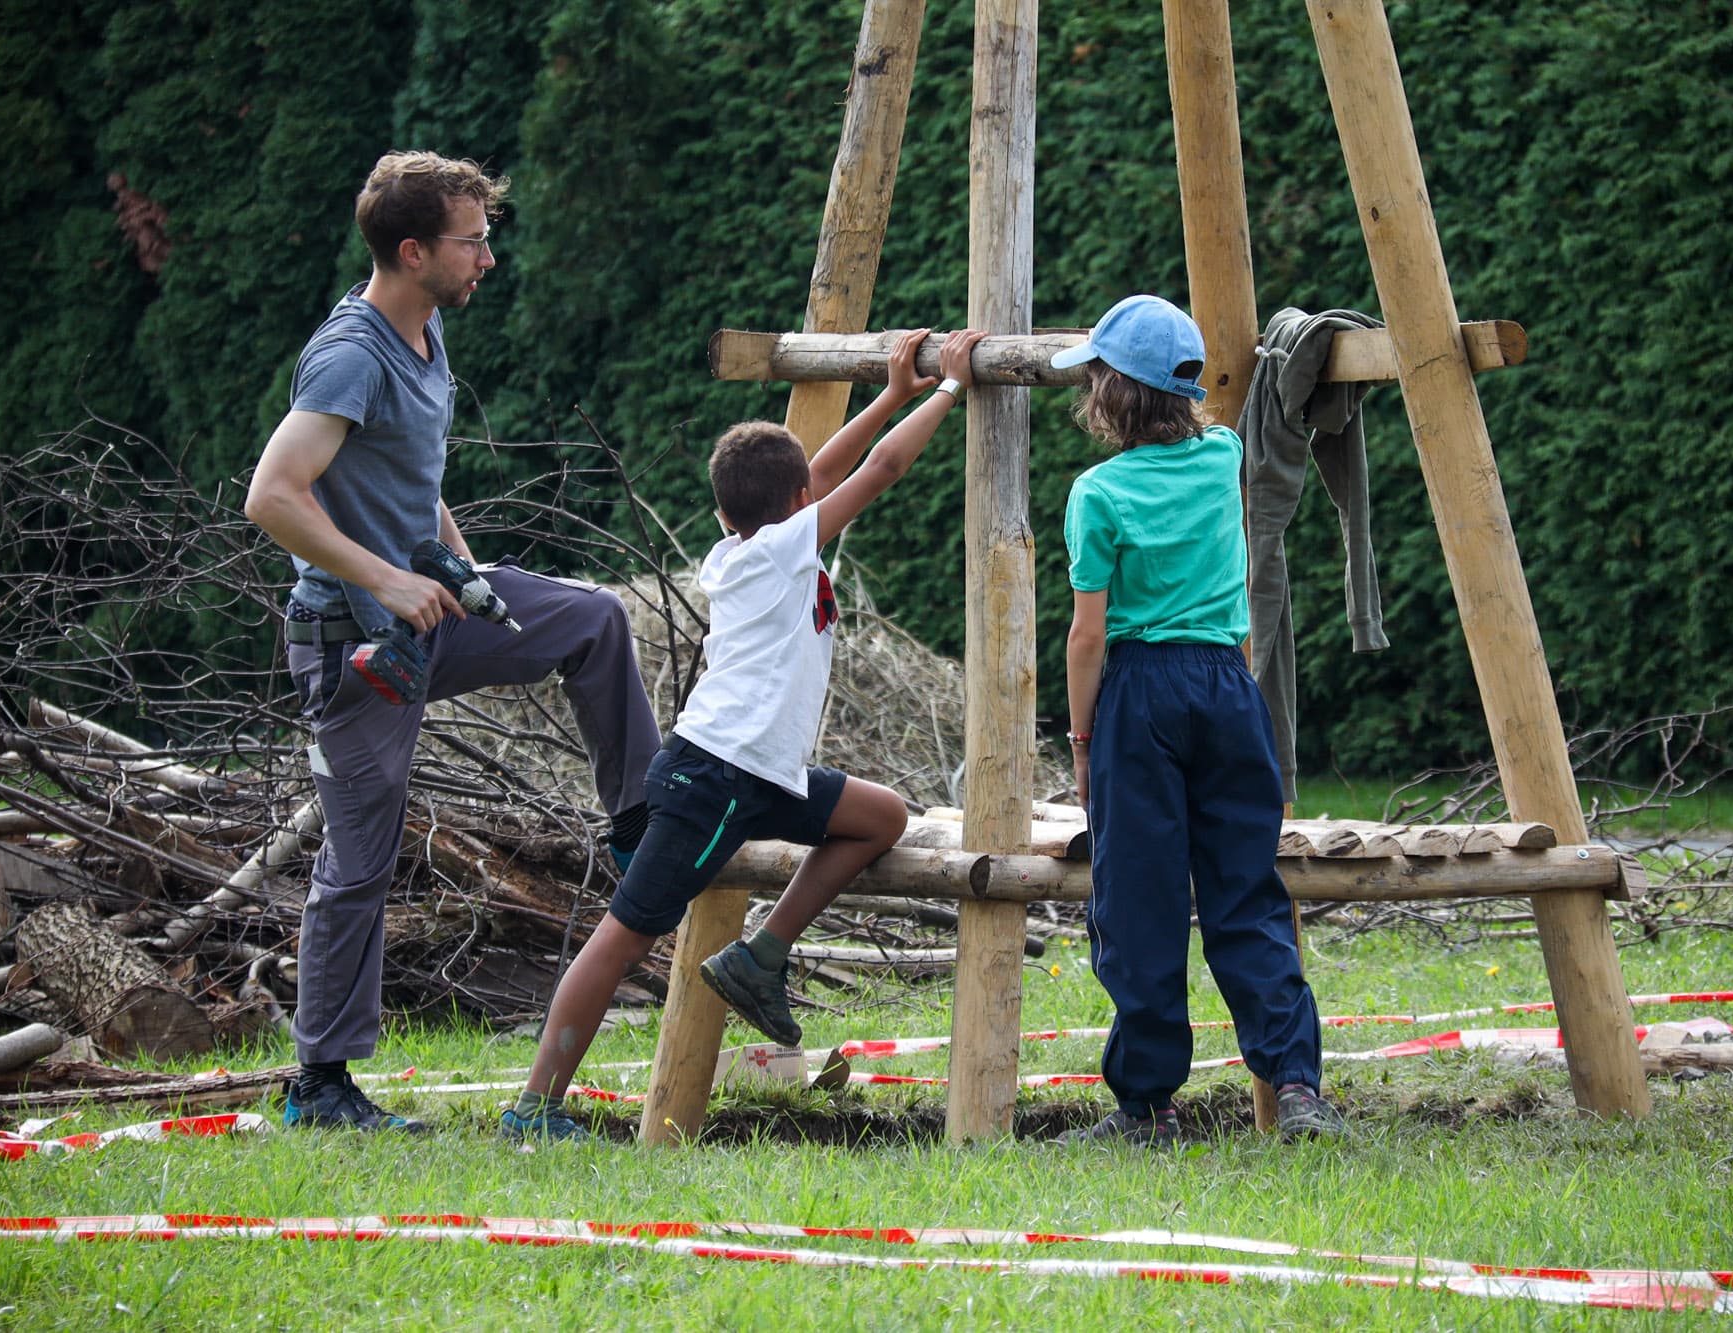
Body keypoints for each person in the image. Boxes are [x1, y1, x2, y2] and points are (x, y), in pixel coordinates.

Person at [246, 151, 662, 1133]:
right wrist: (386, 577)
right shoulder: (351, 352)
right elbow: (272, 494)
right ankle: (321, 1083)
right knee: (360, 857)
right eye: (472, 241)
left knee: (594, 617)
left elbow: (406, 475)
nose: (487, 257)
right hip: (355, 643)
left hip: (429, 615)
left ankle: (643, 823)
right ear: (411, 250)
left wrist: (457, 566)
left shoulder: (425, 334)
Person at [500, 325, 985, 1143]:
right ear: (795, 509)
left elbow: (822, 471)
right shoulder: (782, 552)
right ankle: (535, 1105)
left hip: (755, 774)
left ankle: (761, 955)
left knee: (882, 816)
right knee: (626, 934)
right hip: (714, 777)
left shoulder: (745, 545)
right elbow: (879, 471)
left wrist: (894, 393)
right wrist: (947, 390)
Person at [1050, 294, 1345, 1147]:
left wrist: (1081, 740)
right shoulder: (1225, 457)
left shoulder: (1096, 492)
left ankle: (1147, 1106)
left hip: (1140, 692)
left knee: (1139, 899)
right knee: (1246, 890)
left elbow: (1088, 634)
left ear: (1111, 392)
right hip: (1225, 684)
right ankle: (1296, 1087)